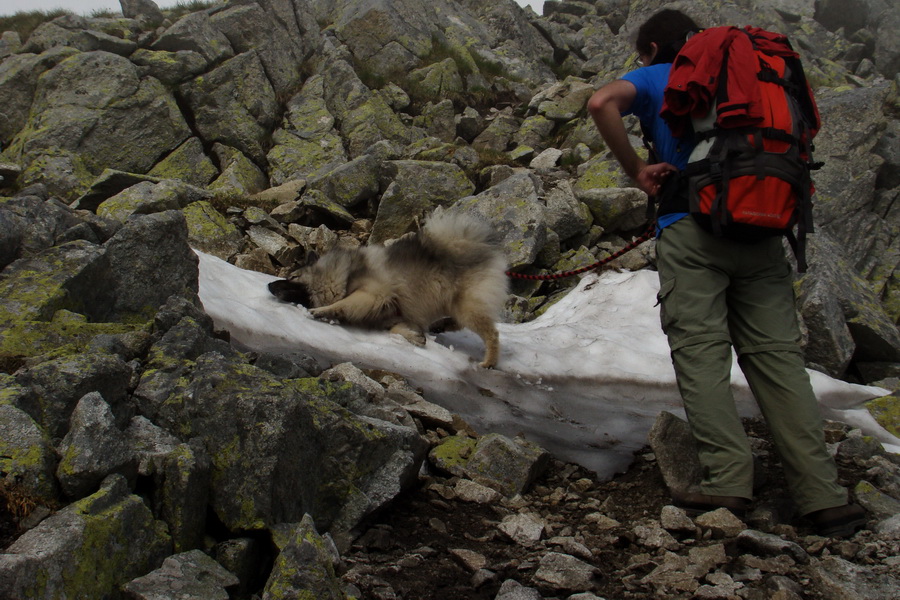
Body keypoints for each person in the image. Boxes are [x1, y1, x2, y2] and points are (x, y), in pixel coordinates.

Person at [586, 8, 866, 538]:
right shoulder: (753, 76)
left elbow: (601, 102)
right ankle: (825, 497)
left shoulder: (655, 74)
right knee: (780, 362)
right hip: (762, 228)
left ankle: (727, 481)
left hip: (691, 229)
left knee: (701, 353)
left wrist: (636, 170)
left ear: (650, 50)